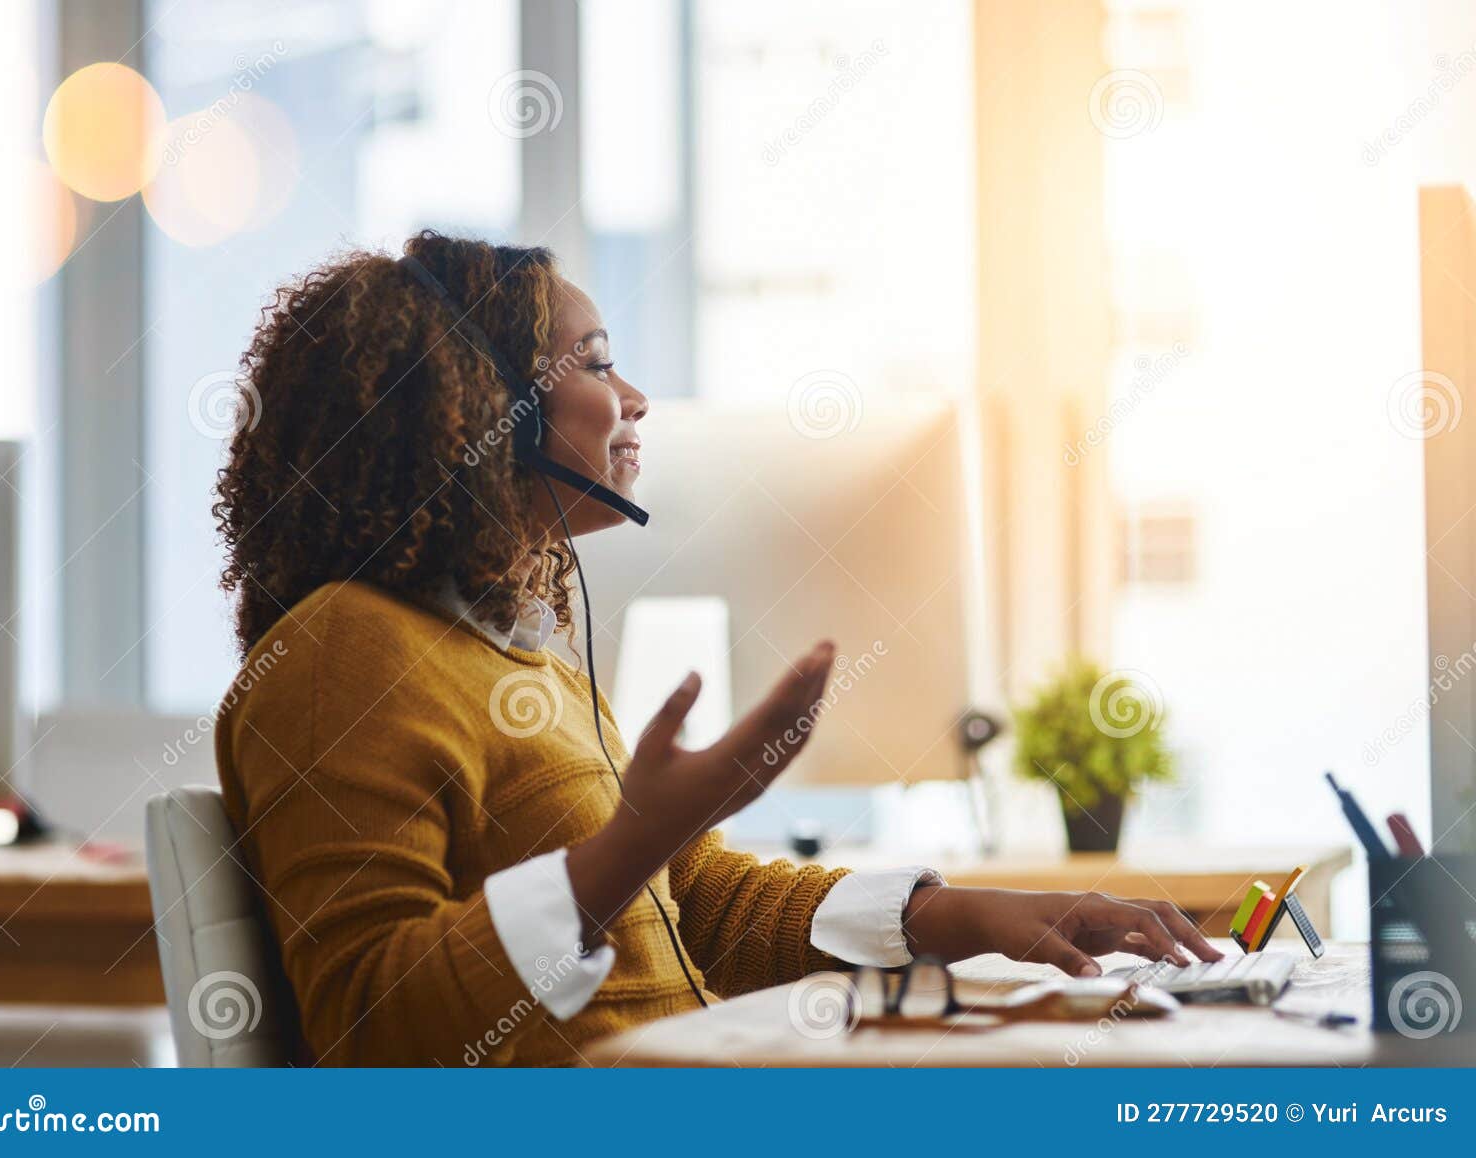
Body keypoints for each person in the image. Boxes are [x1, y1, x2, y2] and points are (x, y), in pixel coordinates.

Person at [211, 231, 1220, 1066]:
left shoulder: (523, 662)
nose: (637, 399)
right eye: (598, 363)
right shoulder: (338, 654)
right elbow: (365, 1028)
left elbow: (695, 903)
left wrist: (963, 917)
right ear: (488, 417)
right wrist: (627, 845)